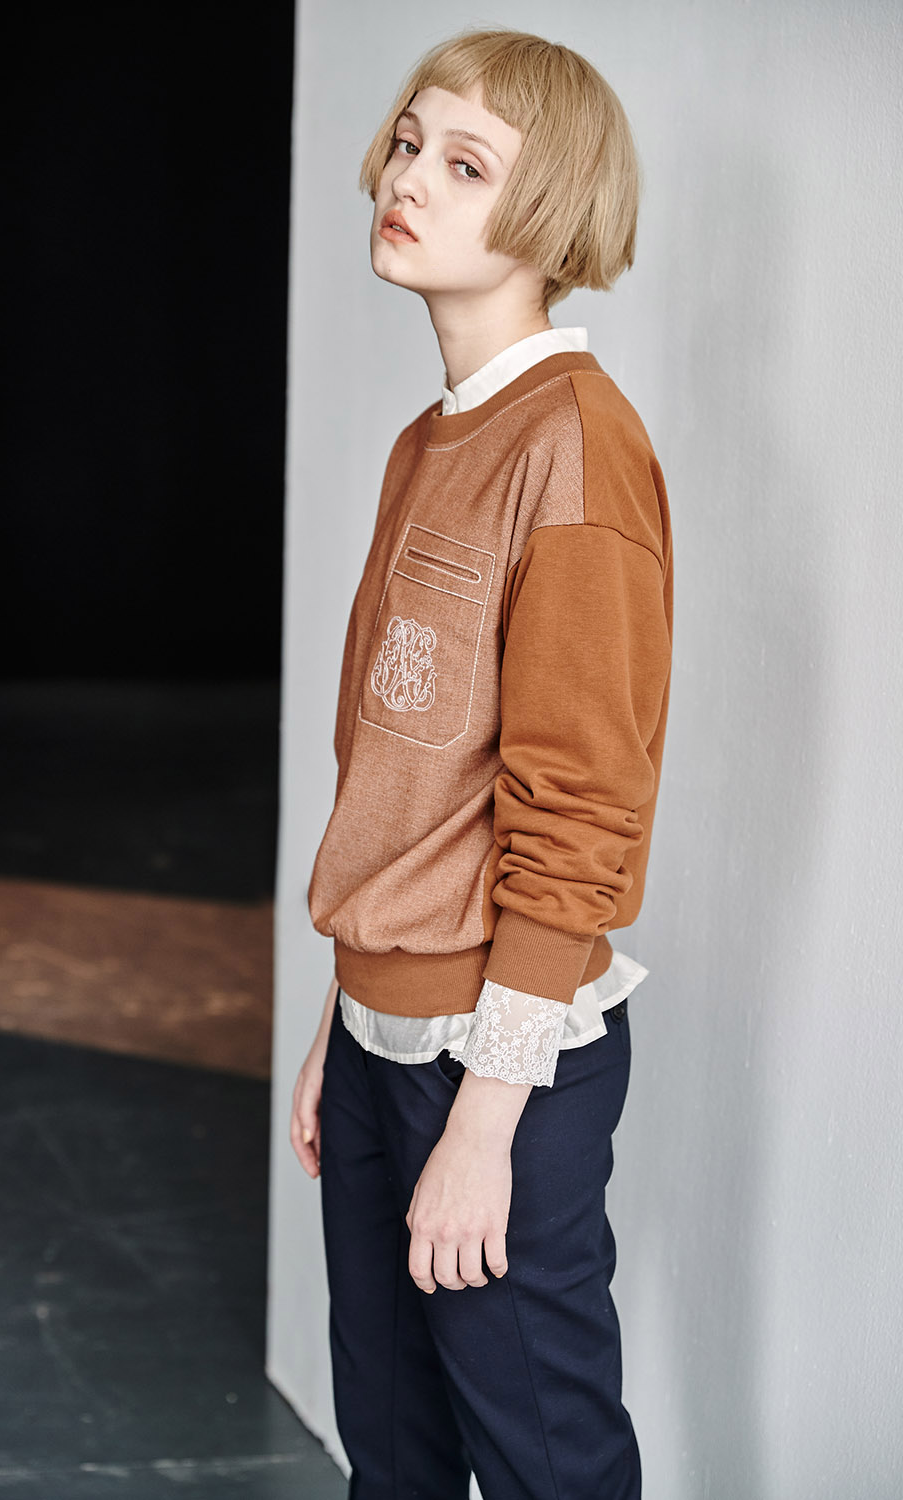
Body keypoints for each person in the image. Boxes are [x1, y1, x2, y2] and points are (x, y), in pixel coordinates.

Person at [290, 26, 672, 1500]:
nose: (409, 180)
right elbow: (405, 776)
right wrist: (344, 1012)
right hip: (383, 1041)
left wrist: (486, 1124)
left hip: (495, 1067)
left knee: (544, 1468)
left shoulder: (576, 446)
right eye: (410, 143)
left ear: (551, 210)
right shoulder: (428, 442)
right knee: (392, 1456)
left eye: (467, 166)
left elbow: (579, 809)